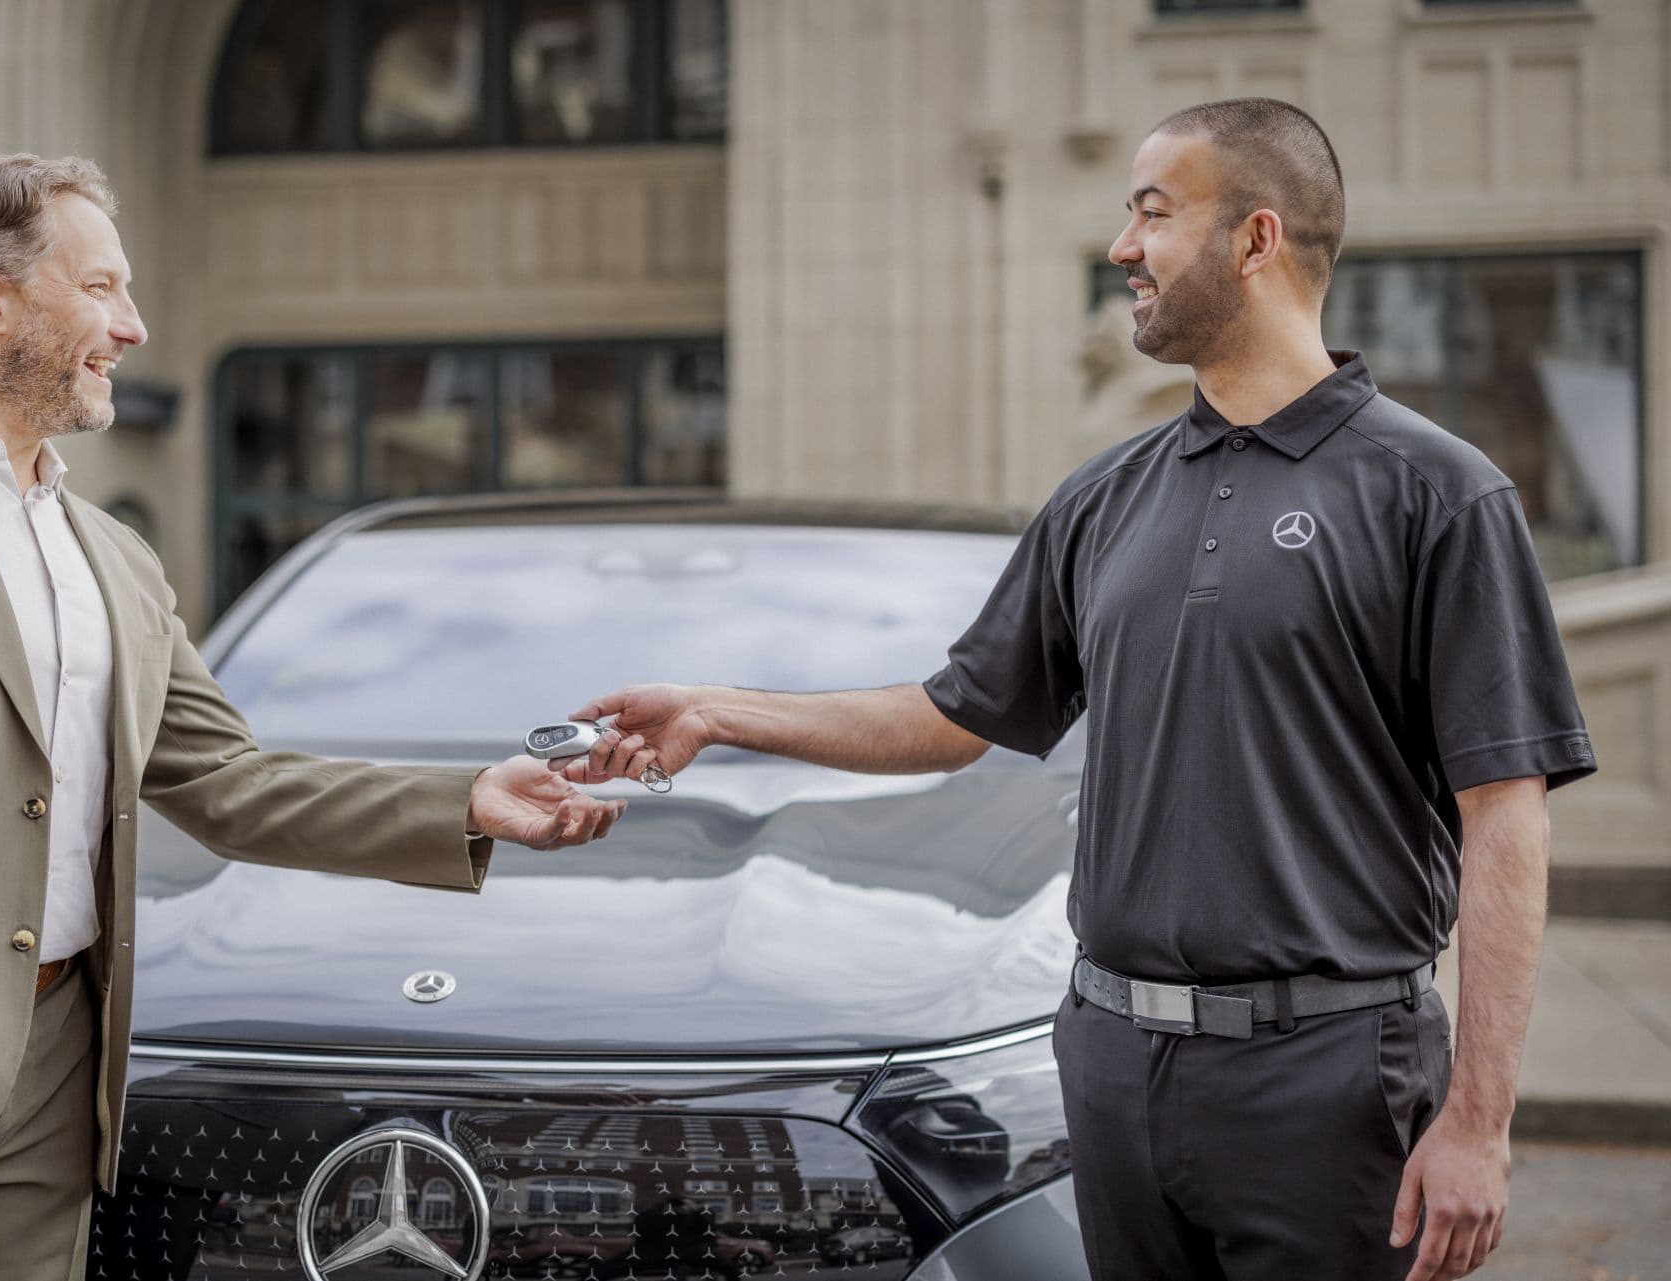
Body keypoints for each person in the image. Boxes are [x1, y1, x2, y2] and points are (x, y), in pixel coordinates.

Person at [571, 99, 1594, 1281]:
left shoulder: (1438, 495)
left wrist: (1480, 1121)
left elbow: (1505, 818)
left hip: (1328, 1076)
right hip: (1114, 1071)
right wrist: (718, 711)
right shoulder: (1104, 499)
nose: (1123, 248)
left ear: (1256, 240)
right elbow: (951, 717)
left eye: (1153, 214)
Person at [0, 154, 631, 1280]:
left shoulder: (115, 556)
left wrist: (467, 799)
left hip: (51, 1090)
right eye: (102, 288)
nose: (134, 327)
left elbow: (228, 781)